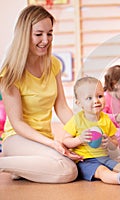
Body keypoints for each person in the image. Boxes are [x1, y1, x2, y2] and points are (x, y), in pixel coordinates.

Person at [0, 5, 81, 183]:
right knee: (68, 170)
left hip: (42, 139)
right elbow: (18, 123)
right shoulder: (11, 73)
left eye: (50, 33)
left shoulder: (53, 64)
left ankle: (23, 168)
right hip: (17, 138)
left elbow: (61, 106)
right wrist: (52, 144)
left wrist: (84, 128)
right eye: (39, 34)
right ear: (24, 34)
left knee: (75, 159)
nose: (45, 40)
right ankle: (4, 163)